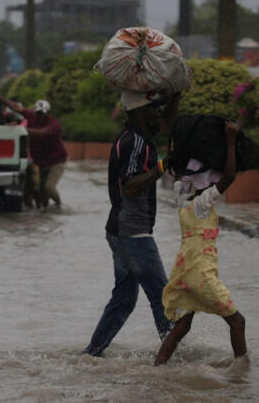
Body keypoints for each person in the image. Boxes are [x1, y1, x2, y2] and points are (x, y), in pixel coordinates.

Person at [82, 91, 180, 357]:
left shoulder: (141, 137)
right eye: (154, 108)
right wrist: (163, 167)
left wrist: (177, 92)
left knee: (124, 299)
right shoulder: (134, 143)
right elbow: (131, 187)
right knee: (163, 295)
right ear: (139, 112)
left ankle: (92, 353)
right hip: (132, 231)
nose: (159, 112)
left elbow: (167, 122)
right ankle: (174, 360)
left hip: (120, 230)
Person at [154, 121, 247, 366]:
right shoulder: (203, 202)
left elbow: (181, 173)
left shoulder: (181, 197)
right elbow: (228, 176)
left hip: (184, 270)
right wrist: (229, 141)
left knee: (183, 325)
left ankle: (158, 367)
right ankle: (241, 376)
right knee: (237, 321)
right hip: (200, 272)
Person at [0, 96, 67, 208]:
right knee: (39, 191)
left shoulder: (54, 124)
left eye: (43, 113)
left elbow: (41, 133)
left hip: (56, 162)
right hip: (40, 161)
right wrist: (0, 98)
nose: (41, 116)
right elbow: (17, 107)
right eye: (39, 113)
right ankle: (45, 213)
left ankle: (59, 205)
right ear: (36, 112)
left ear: (47, 113)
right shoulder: (31, 115)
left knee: (49, 188)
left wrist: (19, 129)